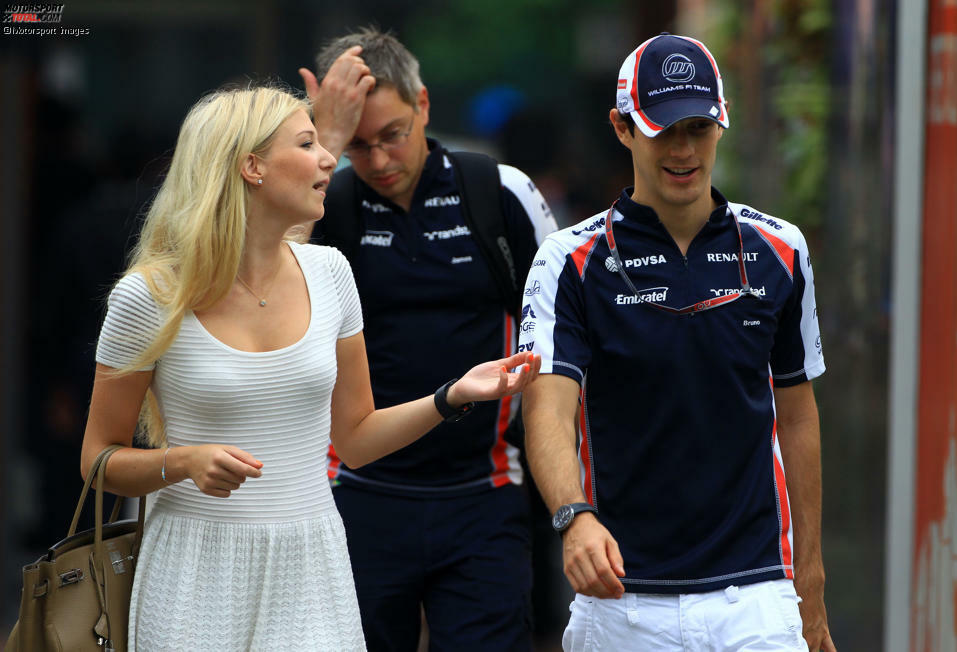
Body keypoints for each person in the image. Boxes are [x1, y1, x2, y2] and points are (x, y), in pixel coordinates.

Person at [79, 85, 540, 651]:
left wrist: (452, 396)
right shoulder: (149, 296)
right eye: (308, 143)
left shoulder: (330, 274)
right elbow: (97, 459)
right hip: (193, 566)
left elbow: (356, 439)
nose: (331, 158)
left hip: (311, 564)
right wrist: (182, 461)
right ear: (252, 166)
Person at [520, 33, 837, 652]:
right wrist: (572, 517)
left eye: (699, 126)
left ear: (723, 121)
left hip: (759, 597)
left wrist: (813, 581)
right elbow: (547, 410)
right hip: (621, 600)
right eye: (664, 129)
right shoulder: (567, 260)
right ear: (622, 128)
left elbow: (798, 417)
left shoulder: (781, 250)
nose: (684, 149)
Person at [296, 27, 558, 651]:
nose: (381, 161)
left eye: (393, 135)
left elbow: (560, 327)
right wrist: (324, 145)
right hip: (355, 496)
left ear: (424, 107)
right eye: (359, 146)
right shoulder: (321, 202)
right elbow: (262, 291)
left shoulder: (500, 192)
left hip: (485, 494)